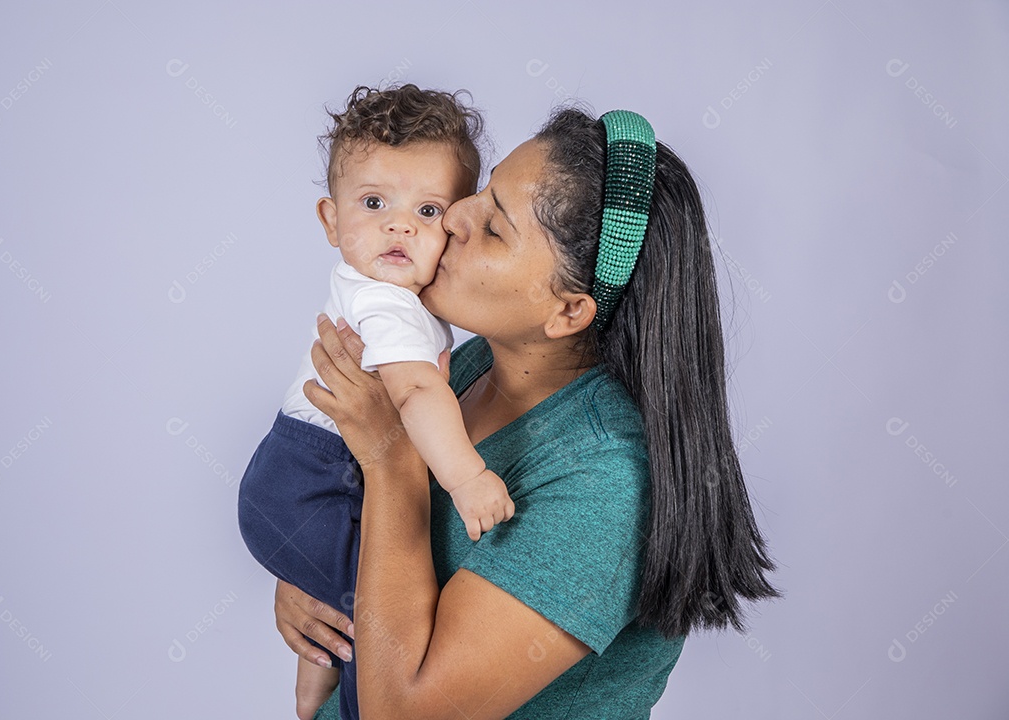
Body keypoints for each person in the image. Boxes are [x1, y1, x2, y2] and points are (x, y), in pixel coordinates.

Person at [275, 106, 781, 719]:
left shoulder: (605, 482)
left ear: (568, 311)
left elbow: (401, 715)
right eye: (483, 190)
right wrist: (312, 574)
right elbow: (379, 557)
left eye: (493, 227)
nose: (454, 213)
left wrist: (392, 458)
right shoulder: (466, 370)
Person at [237, 85, 516, 720]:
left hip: (300, 477)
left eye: (426, 211)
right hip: (315, 476)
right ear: (330, 219)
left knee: (351, 599)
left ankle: (311, 693)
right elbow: (416, 394)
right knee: (380, 618)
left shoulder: (391, 298)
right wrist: (468, 477)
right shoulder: (386, 301)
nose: (398, 226)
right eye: (373, 203)